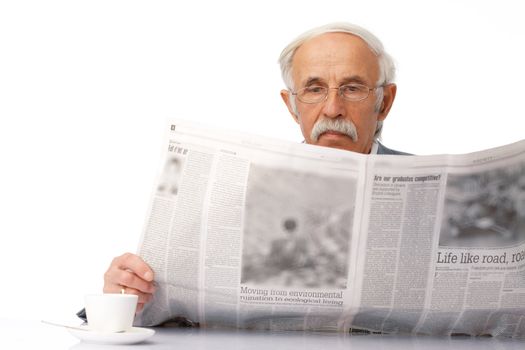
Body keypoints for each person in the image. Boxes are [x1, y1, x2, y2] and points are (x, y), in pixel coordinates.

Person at [98, 22, 409, 315]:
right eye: (314, 89)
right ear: (291, 106)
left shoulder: (440, 189)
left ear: (384, 102)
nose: (332, 109)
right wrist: (124, 296)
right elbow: (154, 301)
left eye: (352, 88)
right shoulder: (233, 186)